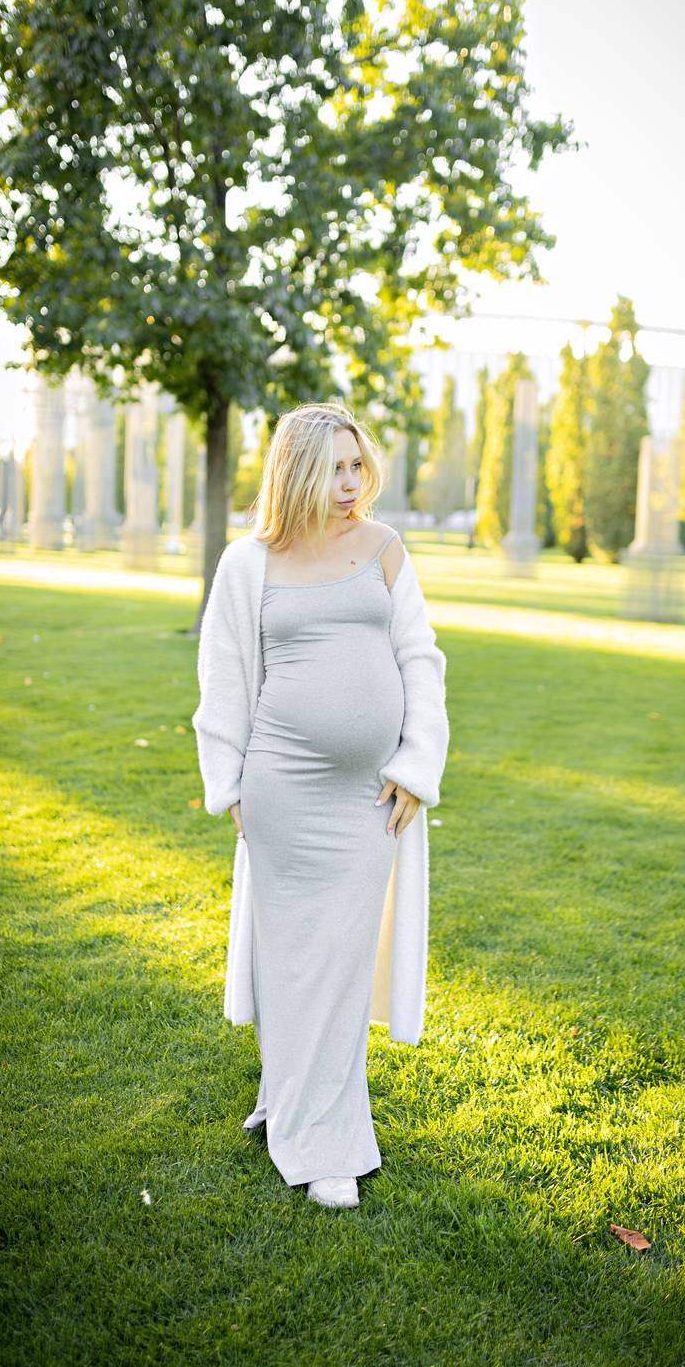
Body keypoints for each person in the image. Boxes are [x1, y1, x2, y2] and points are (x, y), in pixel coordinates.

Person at [192, 402, 450, 1209]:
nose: (349, 482)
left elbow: (421, 658)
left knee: (340, 964)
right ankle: (301, 1117)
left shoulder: (383, 548)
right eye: (333, 467)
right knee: (289, 961)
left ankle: (322, 1136)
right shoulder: (249, 563)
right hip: (281, 790)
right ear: (297, 470)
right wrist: (230, 786)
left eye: (355, 465)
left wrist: (416, 766)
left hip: (368, 797)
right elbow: (223, 675)